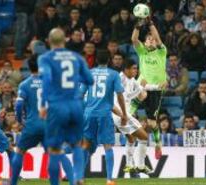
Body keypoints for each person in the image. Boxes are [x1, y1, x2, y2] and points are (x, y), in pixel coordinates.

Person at [38, 28, 93, 185]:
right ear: (65, 40)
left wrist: (43, 105)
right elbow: (89, 80)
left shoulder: (46, 58)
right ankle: (78, 178)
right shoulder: (76, 57)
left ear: (49, 41)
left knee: (55, 149)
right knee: (76, 144)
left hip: (57, 106)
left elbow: (47, 79)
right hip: (76, 105)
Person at [10, 55, 74, 185]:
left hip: (32, 125)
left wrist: (19, 120)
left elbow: (18, 105)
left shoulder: (24, 84)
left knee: (20, 151)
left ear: (29, 67)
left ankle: (13, 183)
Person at [81, 52, 128, 185]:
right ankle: (109, 179)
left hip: (88, 113)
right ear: (109, 60)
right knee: (107, 146)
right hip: (104, 114)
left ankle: (79, 176)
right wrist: (124, 113)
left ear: (96, 60)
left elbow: (80, 95)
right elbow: (119, 95)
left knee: (85, 145)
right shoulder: (113, 74)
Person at [131, 16, 168, 159]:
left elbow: (158, 40)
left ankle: (158, 144)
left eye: (153, 39)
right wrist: (138, 26)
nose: (151, 40)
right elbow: (134, 40)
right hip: (143, 87)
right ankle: (125, 120)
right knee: (131, 107)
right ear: (145, 43)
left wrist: (150, 24)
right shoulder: (142, 52)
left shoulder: (161, 52)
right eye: (148, 39)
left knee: (152, 123)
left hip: (157, 89)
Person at [111, 59, 151, 174]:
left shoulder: (131, 79)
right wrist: (141, 91)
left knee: (131, 138)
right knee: (144, 137)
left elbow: (135, 95)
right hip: (121, 114)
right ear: (126, 69)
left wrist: (142, 89)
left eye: (136, 68)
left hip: (120, 114)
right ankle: (141, 165)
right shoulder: (120, 79)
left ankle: (129, 165)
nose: (136, 71)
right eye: (133, 68)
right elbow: (128, 96)